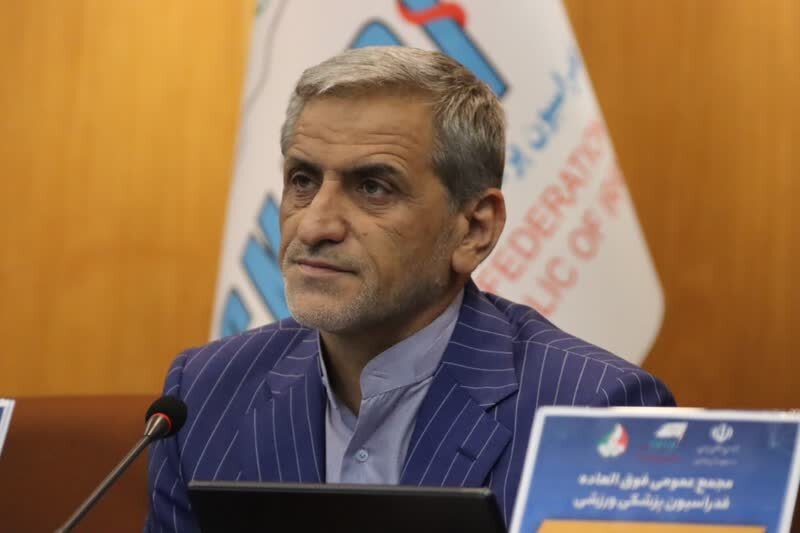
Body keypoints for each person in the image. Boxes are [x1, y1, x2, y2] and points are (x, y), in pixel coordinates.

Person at [146, 46, 675, 531]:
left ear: (474, 230)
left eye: (373, 187)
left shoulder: (595, 413)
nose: (314, 225)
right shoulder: (204, 394)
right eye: (302, 181)